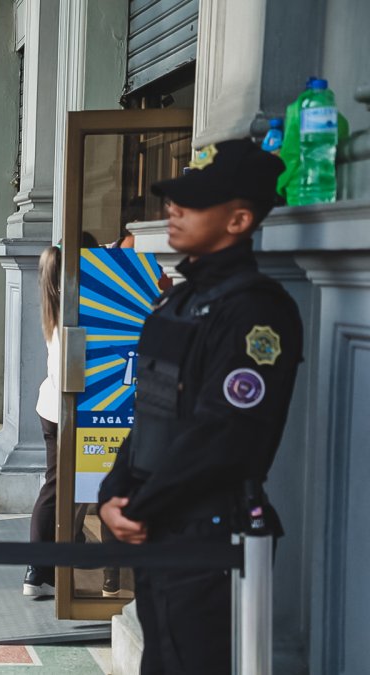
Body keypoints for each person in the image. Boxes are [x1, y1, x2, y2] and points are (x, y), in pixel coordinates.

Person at [98, 139, 302, 674]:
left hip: (208, 532)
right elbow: (151, 412)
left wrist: (137, 508)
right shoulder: (181, 300)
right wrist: (112, 493)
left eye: (193, 202)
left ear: (238, 220)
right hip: (163, 525)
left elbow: (224, 434)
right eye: (174, 199)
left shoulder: (256, 311)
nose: (173, 209)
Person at [23, 245, 62, 597]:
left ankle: (42, 569)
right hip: (63, 410)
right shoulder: (71, 310)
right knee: (56, 486)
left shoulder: (55, 302)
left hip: (51, 406)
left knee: (56, 485)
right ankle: (37, 570)